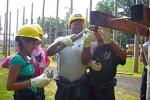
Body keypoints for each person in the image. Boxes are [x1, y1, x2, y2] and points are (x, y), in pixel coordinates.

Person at [46, 14, 101, 100]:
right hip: (63, 83)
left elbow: (85, 61)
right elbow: (49, 53)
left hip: (81, 83)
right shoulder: (61, 39)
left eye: (81, 23)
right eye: (75, 23)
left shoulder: (88, 40)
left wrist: (87, 45)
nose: (78, 25)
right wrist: (60, 41)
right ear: (70, 25)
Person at [6, 24, 51, 100]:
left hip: (33, 95)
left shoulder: (28, 57)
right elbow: (9, 86)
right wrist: (32, 82)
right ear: (23, 42)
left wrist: (40, 78)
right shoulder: (17, 59)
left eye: (36, 44)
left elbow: (28, 77)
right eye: (33, 44)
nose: (35, 47)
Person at [81, 27, 127, 100]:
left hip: (108, 88)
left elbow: (123, 58)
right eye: (95, 30)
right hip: (92, 86)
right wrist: (90, 63)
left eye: (100, 29)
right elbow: (84, 61)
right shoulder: (91, 46)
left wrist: (110, 41)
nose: (97, 32)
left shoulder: (113, 45)